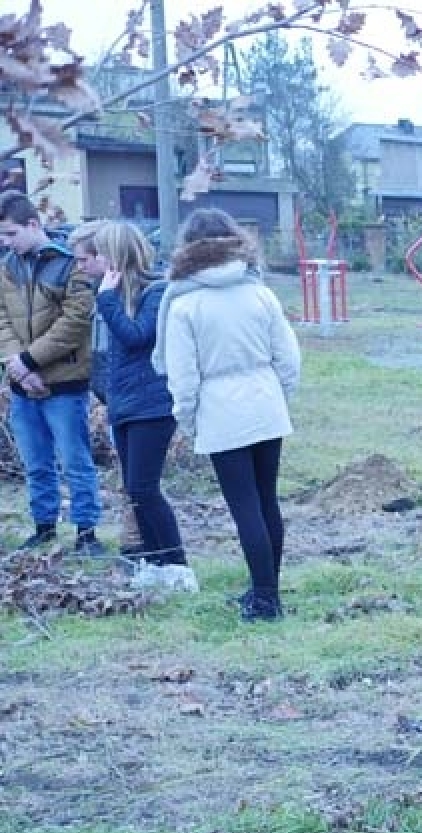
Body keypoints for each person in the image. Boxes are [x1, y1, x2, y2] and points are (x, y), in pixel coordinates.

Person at [159, 208, 301, 622]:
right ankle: (266, 590)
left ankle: (265, 599)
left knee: (244, 507)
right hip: (265, 403)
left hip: (220, 412)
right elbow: (288, 357)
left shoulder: (183, 306)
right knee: (266, 500)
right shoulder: (261, 294)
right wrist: (278, 396)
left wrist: (188, 419)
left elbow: (183, 377)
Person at [73, 220, 196, 592]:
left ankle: (178, 565)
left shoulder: (155, 291)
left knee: (145, 488)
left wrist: (106, 300)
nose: (87, 263)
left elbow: (137, 336)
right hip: (124, 406)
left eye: (97, 254)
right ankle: (156, 564)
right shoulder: (115, 295)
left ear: (115, 256)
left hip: (152, 406)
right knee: (135, 490)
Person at [0, 192, 103, 555]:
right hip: (22, 383)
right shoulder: (6, 267)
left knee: (75, 461)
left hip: (64, 382)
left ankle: (86, 532)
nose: (6, 242)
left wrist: (29, 360)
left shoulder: (71, 264)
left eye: (11, 233)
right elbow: (1, 319)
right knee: (36, 463)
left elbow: (75, 321)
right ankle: (43, 527)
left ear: (33, 224)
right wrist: (16, 364)